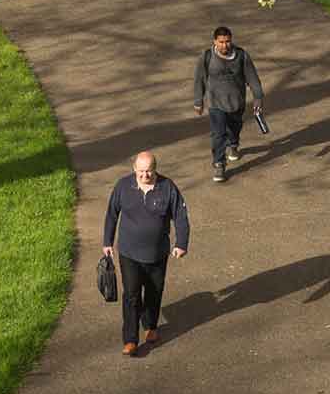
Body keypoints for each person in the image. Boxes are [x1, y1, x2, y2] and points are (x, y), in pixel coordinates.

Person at [102, 151, 190, 356]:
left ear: (155, 169)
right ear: (134, 169)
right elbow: (111, 214)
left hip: (158, 253)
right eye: (141, 172)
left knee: (153, 291)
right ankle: (130, 339)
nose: (145, 176)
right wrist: (107, 241)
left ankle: (150, 326)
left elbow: (181, 216)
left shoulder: (167, 188)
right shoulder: (123, 186)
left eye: (149, 171)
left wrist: (181, 243)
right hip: (129, 252)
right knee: (132, 295)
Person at [192, 25, 264, 182]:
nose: (225, 45)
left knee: (235, 127)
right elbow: (199, 79)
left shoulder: (241, 56)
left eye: (228, 41)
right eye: (221, 42)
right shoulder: (206, 56)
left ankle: (233, 145)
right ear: (215, 42)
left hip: (236, 101)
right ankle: (219, 164)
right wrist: (198, 101)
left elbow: (252, 77)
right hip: (215, 102)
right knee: (218, 134)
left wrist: (258, 97)